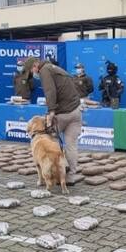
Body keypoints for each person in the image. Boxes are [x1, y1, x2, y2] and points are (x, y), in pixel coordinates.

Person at [24, 56, 82, 185]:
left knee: (49, 140)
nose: (33, 74)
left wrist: (51, 112)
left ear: (35, 66)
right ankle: (70, 177)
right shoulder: (55, 68)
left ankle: (55, 171)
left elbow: (50, 91)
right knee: (71, 145)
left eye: (32, 71)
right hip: (76, 111)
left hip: (62, 113)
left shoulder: (44, 70)